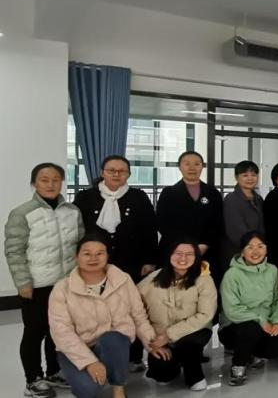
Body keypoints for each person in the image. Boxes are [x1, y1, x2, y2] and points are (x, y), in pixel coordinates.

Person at [48, 232, 166, 398]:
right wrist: (89, 362)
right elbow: (61, 332)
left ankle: (119, 389)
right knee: (88, 390)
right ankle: (91, 372)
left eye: (99, 253)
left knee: (113, 337)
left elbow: (138, 315)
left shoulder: (123, 280)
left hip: (113, 345)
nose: (93, 258)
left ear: (107, 256)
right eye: (87, 253)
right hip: (77, 347)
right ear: (76, 257)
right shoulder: (62, 289)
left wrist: (152, 343)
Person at [5, 163, 83, 397]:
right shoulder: (22, 213)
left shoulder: (73, 211)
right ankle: (33, 379)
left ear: (61, 182)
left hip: (65, 284)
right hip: (37, 285)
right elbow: (14, 251)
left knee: (58, 331)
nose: (50, 184)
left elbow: (79, 247)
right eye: (44, 180)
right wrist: (23, 282)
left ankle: (54, 372)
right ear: (34, 183)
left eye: (56, 179)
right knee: (34, 332)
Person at [74, 155, 159, 371]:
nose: (116, 174)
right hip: (95, 265)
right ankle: (97, 355)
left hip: (132, 263)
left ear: (128, 174)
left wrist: (150, 260)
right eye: (111, 170)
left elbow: (149, 230)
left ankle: (133, 357)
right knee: (97, 310)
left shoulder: (138, 197)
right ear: (102, 172)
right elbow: (77, 232)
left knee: (133, 309)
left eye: (122, 171)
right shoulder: (85, 197)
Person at [138, 239, 217, 391]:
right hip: (159, 336)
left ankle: (194, 375)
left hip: (194, 332)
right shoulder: (153, 278)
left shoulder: (204, 279)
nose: (183, 258)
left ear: (196, 257)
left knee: (189, 345)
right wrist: (151, 343)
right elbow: (135, 308)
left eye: (189, 254)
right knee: (162, 373)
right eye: (178, 253)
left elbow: (205, 314)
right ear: (169, 255)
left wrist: (170, 335)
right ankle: (174, 365)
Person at [218, 231, 278, 386]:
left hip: (265, 325)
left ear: (266, 249)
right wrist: (261, 320)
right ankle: (238, 365)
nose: (256, 251)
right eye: (250, 247)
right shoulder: (232, 274)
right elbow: (232, 310)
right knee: (251, 328)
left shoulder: (272, 270)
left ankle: (249, 352)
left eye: (260, 246)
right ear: (242, 251)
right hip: (234, 327)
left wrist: (277, 322)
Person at [156, 151, 223, 269]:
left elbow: (218, 222)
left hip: (206, 251)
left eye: (197, 164)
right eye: (187, 164)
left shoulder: (213, 193)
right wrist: (185, 247)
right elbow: (162, 223)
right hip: (175, 250)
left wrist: (205, 244)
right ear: (179, 167)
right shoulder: (168, 193)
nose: (192, 168)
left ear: (202, 167)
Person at [222, 161, 265, 272]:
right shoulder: (231, 199)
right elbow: (235, 229)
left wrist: (260, 247)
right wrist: (252, 248)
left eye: (253, 175)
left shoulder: (258, 198)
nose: (250, 178)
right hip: (239, 251)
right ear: (237, 177)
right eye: (245, 175)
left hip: (257, 251)